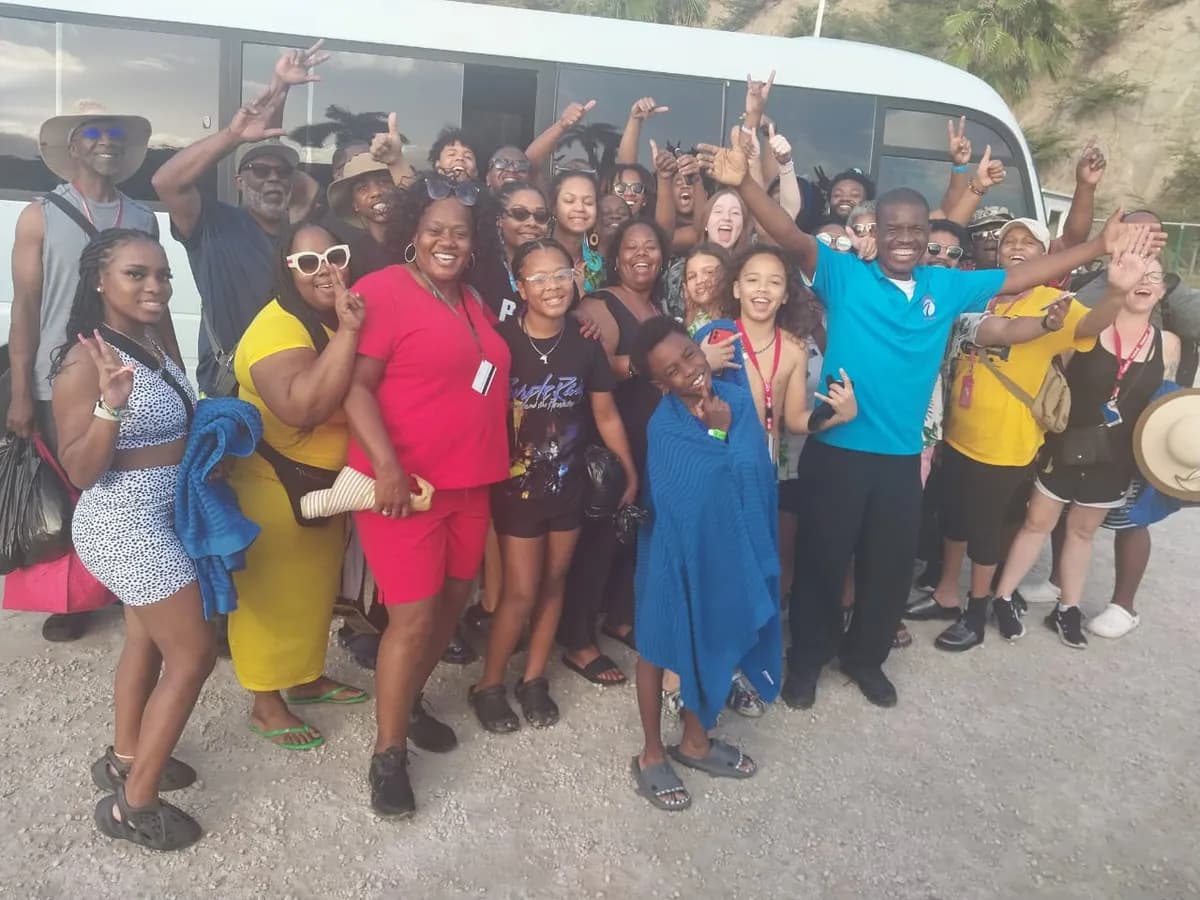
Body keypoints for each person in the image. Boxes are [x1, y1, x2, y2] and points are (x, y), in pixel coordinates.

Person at [697, 139, 1161, 708]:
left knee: (888, 568)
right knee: (823, 560)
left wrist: (1097, 247)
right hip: (838, 452)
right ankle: (808, 661)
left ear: (926, 235)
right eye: (894, 227)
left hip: (898, 459)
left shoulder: (946, 286)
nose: (906, 238)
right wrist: (745, 183)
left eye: (917, 229)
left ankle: (865, 658)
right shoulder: (844, 276)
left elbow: (1024, 276)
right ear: (878, 232)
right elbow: (791, 237)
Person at [343, 173, 511, 817]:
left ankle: (408, 701)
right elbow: (356, 388)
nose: (447, 240)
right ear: (413, 234)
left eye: (460, 233)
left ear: (473, 245)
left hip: (470, 484)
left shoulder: (471, 299)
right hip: (404, 489)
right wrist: (384, 464)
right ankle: (387, 755)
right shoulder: (381, 290)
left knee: (449, 610)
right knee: (412, 617)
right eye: (435, 229)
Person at [50, 229, 212, 850]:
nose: (154, 287)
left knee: (145, 640)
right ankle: (132, 805)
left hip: (160, 517)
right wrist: (109, 406)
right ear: (99, 281)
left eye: (163, 275)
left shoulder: (148, 337)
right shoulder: (81, 362)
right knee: (194, 654)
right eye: (135, 275)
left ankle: (125, 756)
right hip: (123, 525)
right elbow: (83, 472)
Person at [927, 218, 1144, 651]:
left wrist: (1117, 293)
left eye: (1030, 242)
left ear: (1047, 254)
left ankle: (975, 611)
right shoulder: (981, 293)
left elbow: (1088, 329)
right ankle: (946, 593)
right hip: (956, 434)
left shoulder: (1055, 301)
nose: (1017, 247)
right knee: (953, 520)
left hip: (1006, 443)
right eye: (1009, 241)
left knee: (986, 532)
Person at [470, 239, 638, 733]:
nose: (551, 286)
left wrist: (626, 470)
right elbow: (474, 411)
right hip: (515, 491)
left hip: (569, 488)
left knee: (553, 583)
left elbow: (605, 413)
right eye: (538, 278)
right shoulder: (499, 342)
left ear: (575, 278)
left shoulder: (587, 344)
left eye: (560, 274)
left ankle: (535, 678)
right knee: (519, 592)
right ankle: (490, 684)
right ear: (520, 287)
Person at [7, 103, 160, 643]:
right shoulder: (39, 215)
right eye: (93, 133)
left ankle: (129, 577)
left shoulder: (142, 218)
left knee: (127, 477)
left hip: (128, 368)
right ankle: (76, 595)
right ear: (73, 146)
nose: (107, 142)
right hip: (60, 372)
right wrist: (21, 387)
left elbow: (154, 304)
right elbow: (25, 305)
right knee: (75, 480)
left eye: (115, 133)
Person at [226, 224, 370, 749]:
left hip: (323, 487)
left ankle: (306, 677)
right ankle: (266, 703)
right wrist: (352, 335)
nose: (325, 270)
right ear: (286, 271)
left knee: (311, 591)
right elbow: (302, 405)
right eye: (307, 263)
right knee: (270, 593)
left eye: (333, 256)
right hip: (273, 484)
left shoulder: (331, 316)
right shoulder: (277, 328)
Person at [695, 245, 856, 713]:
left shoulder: (793, 347)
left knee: (751, 573)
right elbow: (679, 402)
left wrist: (834, 417)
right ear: (736, 286)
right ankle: (705, 666)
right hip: (713, 471)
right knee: (715, 570)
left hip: (761, 475)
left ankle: (740, 668)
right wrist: (700, 362)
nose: (762, 290)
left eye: (774, 281)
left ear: (787, 292)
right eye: (753, 279)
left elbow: (793, 419)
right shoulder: (715, 336)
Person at [628, 317, 779, 813]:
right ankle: (651, 753)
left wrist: (724, 434)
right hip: (671, 549)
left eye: (690, 356)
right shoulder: (665, 424)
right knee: (655, 643)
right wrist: (717, 437)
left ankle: (695, 741)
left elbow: (755, 474)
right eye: (673, 370)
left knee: (711, 633)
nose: (689, 371)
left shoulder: (735, 401)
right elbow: (686, 499)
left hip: (725, 546)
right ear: (660, 384)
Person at [991, 240, 1171, 649]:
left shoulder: (1169, 345)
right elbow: (1054, 379)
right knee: (1037, 522)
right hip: (1066, 444)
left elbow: (1169, 408)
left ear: (1162, 291)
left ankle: (1068, 608)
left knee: (1083, 532)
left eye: (1153, 278)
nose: (1144, 284)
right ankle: (1002, 596)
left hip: (1115, 457)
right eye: (1136, 275)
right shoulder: (1089, 328)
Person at [152, 42, 328, 396]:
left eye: (282, 173)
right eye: (260, 171)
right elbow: (165, 182)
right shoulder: (214, 225)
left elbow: (270, 139)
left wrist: (283, 87)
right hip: (230, 394)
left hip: (293, 390)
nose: (272, 179)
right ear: (239, 181)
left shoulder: (301, 237)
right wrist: (233, 135)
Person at [560, 218, 668, 685]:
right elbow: (589, 364)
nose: (641, 254)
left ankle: (619, 618)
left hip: (652, 442)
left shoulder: (657, 308)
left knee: (636, 537)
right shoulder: (600, 304)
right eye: (631, 247)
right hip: (608, 445)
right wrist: (650, 365)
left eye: (651, 247)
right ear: (616, 256)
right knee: (598, 543)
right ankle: (579, 643)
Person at [471, 180, 552, 322]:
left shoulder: (555, 269)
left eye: (540, 216)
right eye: (520, 214)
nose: (532, 223)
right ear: (499, 220)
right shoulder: (478, 271)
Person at [326, 153, 398, 282]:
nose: (376, 192)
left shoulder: (418, 242)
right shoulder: (351, 257)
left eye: (384, 182)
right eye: (362, 188)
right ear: (355, 204)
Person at [549, 170, 604, 295]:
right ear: (553, 207)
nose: (579, 208)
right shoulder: (535, 254)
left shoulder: (597, 263)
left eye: (588, 202)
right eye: (569, 201)